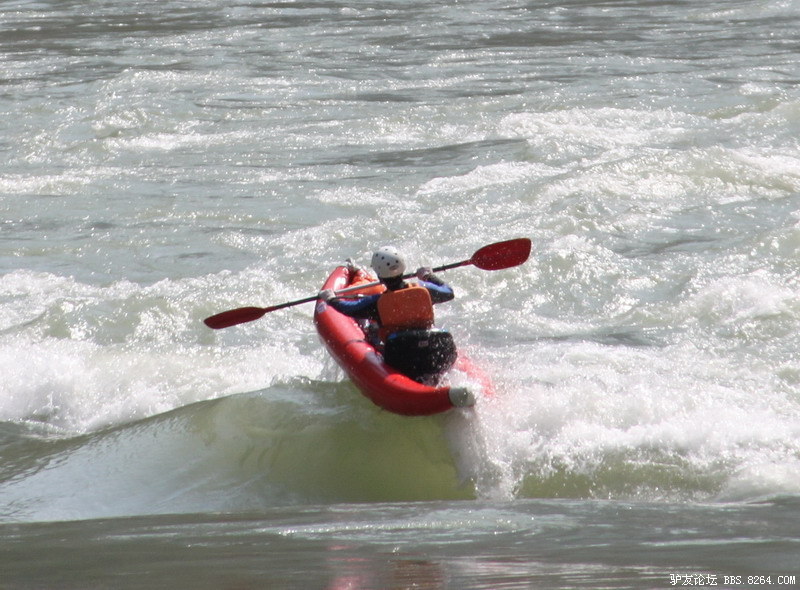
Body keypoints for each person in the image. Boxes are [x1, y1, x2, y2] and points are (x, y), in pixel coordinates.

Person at [318, 246, 458, 383]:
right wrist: (428, 276)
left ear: (379, 276)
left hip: (402, 357)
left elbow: (348, 308)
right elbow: (448, 291)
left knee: (371, 329)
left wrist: (331, 298)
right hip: (434, 352)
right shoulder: (425, 291)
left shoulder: (377, 302)